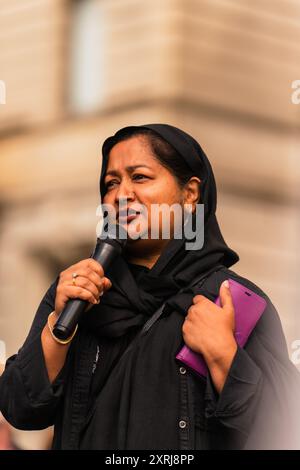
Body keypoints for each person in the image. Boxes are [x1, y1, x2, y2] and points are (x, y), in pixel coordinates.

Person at [0, 124, 299, 450]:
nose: (121, 194)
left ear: (190, 193)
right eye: (111, 183)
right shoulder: (78, 293)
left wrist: (225, 357)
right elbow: (20, 408)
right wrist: (57, 332)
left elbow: (283, 430)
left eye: (139, 177)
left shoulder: (227, 301)